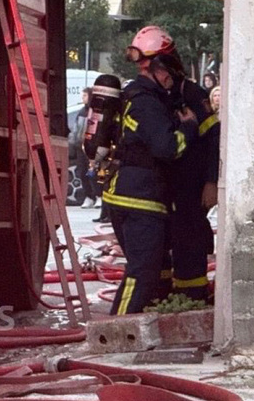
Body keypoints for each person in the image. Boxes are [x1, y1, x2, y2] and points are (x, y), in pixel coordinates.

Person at [103, 26, 198, 315]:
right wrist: (189, 128)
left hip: (135, 194)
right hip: (138, 198)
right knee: (142, 272)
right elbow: (168, 147)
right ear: (156, 66)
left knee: (147, 270)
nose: (170, 78)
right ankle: (116, 329)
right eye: (168, 71)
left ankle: (124, 329)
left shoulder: (143, 98)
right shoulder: (145, 102)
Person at [167, 65, 220, 303]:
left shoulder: (192, 94)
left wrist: (211, 182)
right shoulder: (158, 93)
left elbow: (214, 139)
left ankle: (193, 295)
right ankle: (175, 292)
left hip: (193, 181)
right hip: (170, 183)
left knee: (191, 236)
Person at [83, 75, 124, 223]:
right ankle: (106, 214)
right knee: (106, 183)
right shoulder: (117, 110)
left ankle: (106, 214)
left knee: (106, 182)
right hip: (109, 151)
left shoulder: (104, 110)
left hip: (105, 150)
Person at [72, 88, 99, 208]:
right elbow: (76, 129)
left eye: (84, 95)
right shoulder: (82, 111)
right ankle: (89, 196)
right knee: (83, 172)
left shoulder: (95, 111)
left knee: (92, 173)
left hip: (92, 147)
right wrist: (74, 142)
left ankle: (98, 195)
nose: (82, 98)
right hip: (80, 146)